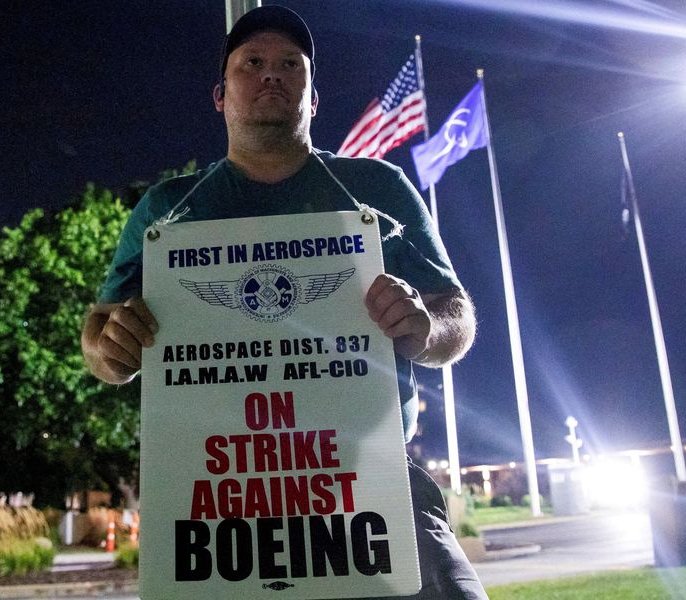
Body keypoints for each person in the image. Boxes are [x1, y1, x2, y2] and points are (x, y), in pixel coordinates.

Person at [82, 6, 485, 599]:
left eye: (290, 65)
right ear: (220, 95)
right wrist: (108, 345)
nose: (271, 74)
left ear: (313, 97)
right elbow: (101, 330)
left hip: (372, 477)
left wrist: (424, 327)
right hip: (219, 493)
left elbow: (458, 317)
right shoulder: (168, 209)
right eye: (252, 63)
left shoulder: (377, 188)